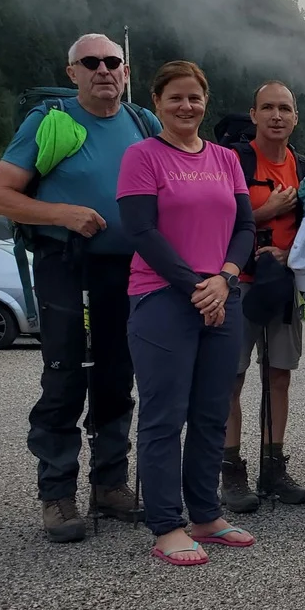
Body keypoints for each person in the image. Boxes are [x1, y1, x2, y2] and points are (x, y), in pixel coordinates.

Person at [0, 32, 161, 543]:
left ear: (126, 71)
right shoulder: (51, 122)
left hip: (125, 270)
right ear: (72, 73)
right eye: (91, 63)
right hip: (68, 266)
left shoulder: (139, 123)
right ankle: (57, 494)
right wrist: (62, 214)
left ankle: (109, 484)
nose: (103, 70)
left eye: (113, 62)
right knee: (64, 377)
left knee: (115, 376)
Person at [116, 60, 257, 566]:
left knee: (211, 412)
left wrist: (224, 277)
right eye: (175, 97)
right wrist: (196, 285)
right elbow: (141, 231)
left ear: (205, 101)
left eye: (194, 97)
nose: (186, 106)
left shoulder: (225, 158)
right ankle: (166, 523)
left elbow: (245, 227)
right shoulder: (142, 156)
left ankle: (205, 513)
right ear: (157, 102)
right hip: (162, 296)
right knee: (164, 414)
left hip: (222, 293)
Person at [219, 81, 305, 513]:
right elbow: (214, 220)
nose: (277, 116)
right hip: (238, 283)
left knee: (279, 375)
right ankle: (232, 472)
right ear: (253, 115)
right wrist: (264, 213)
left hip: (282, 283)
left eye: (285, 109)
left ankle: (273, 468)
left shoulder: (304, 168)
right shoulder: (234, 161)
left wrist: (290, 254)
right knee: (231, 378)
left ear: (295, 118)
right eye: (268, 108)